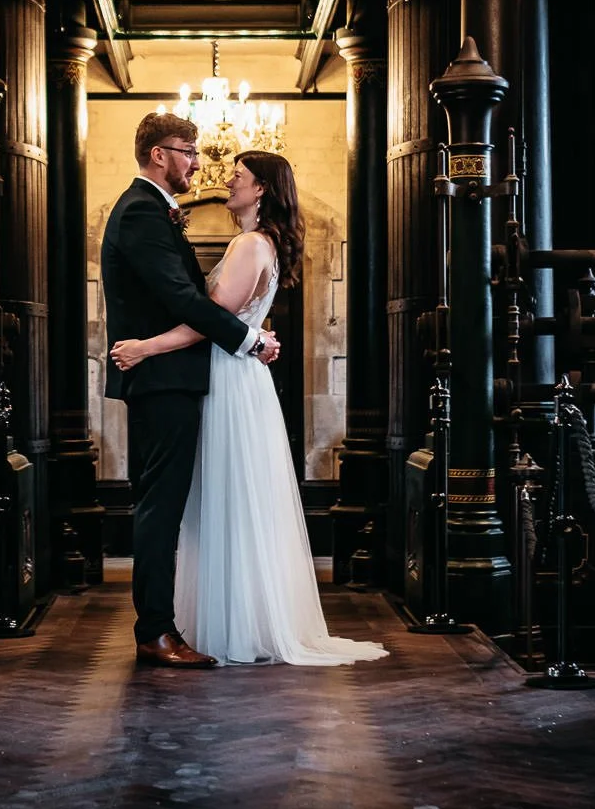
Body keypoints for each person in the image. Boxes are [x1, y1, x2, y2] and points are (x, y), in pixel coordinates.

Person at [112, 151, 389, 668]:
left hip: (228, 382)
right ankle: (232, 619)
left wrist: (145, 347)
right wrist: (255, 337)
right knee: (231, 501)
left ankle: (234, 625)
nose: (225, 180)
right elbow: (224, 319)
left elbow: (209, 319)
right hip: (236, 375)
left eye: (237, 177)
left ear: (261, 189)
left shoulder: (248, 245)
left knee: (227, 500)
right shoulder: (260, 244)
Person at [101, 114, 281, 669]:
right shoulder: (140, 213)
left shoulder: (154, 212)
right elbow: (183, 297)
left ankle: (162, 626)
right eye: (189, 151)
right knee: (161, 506)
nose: (200, 164)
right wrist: (248, 339)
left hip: (173, 377)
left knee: (168, 504)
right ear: (159, 155)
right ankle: (154, 632)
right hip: (163, 381)